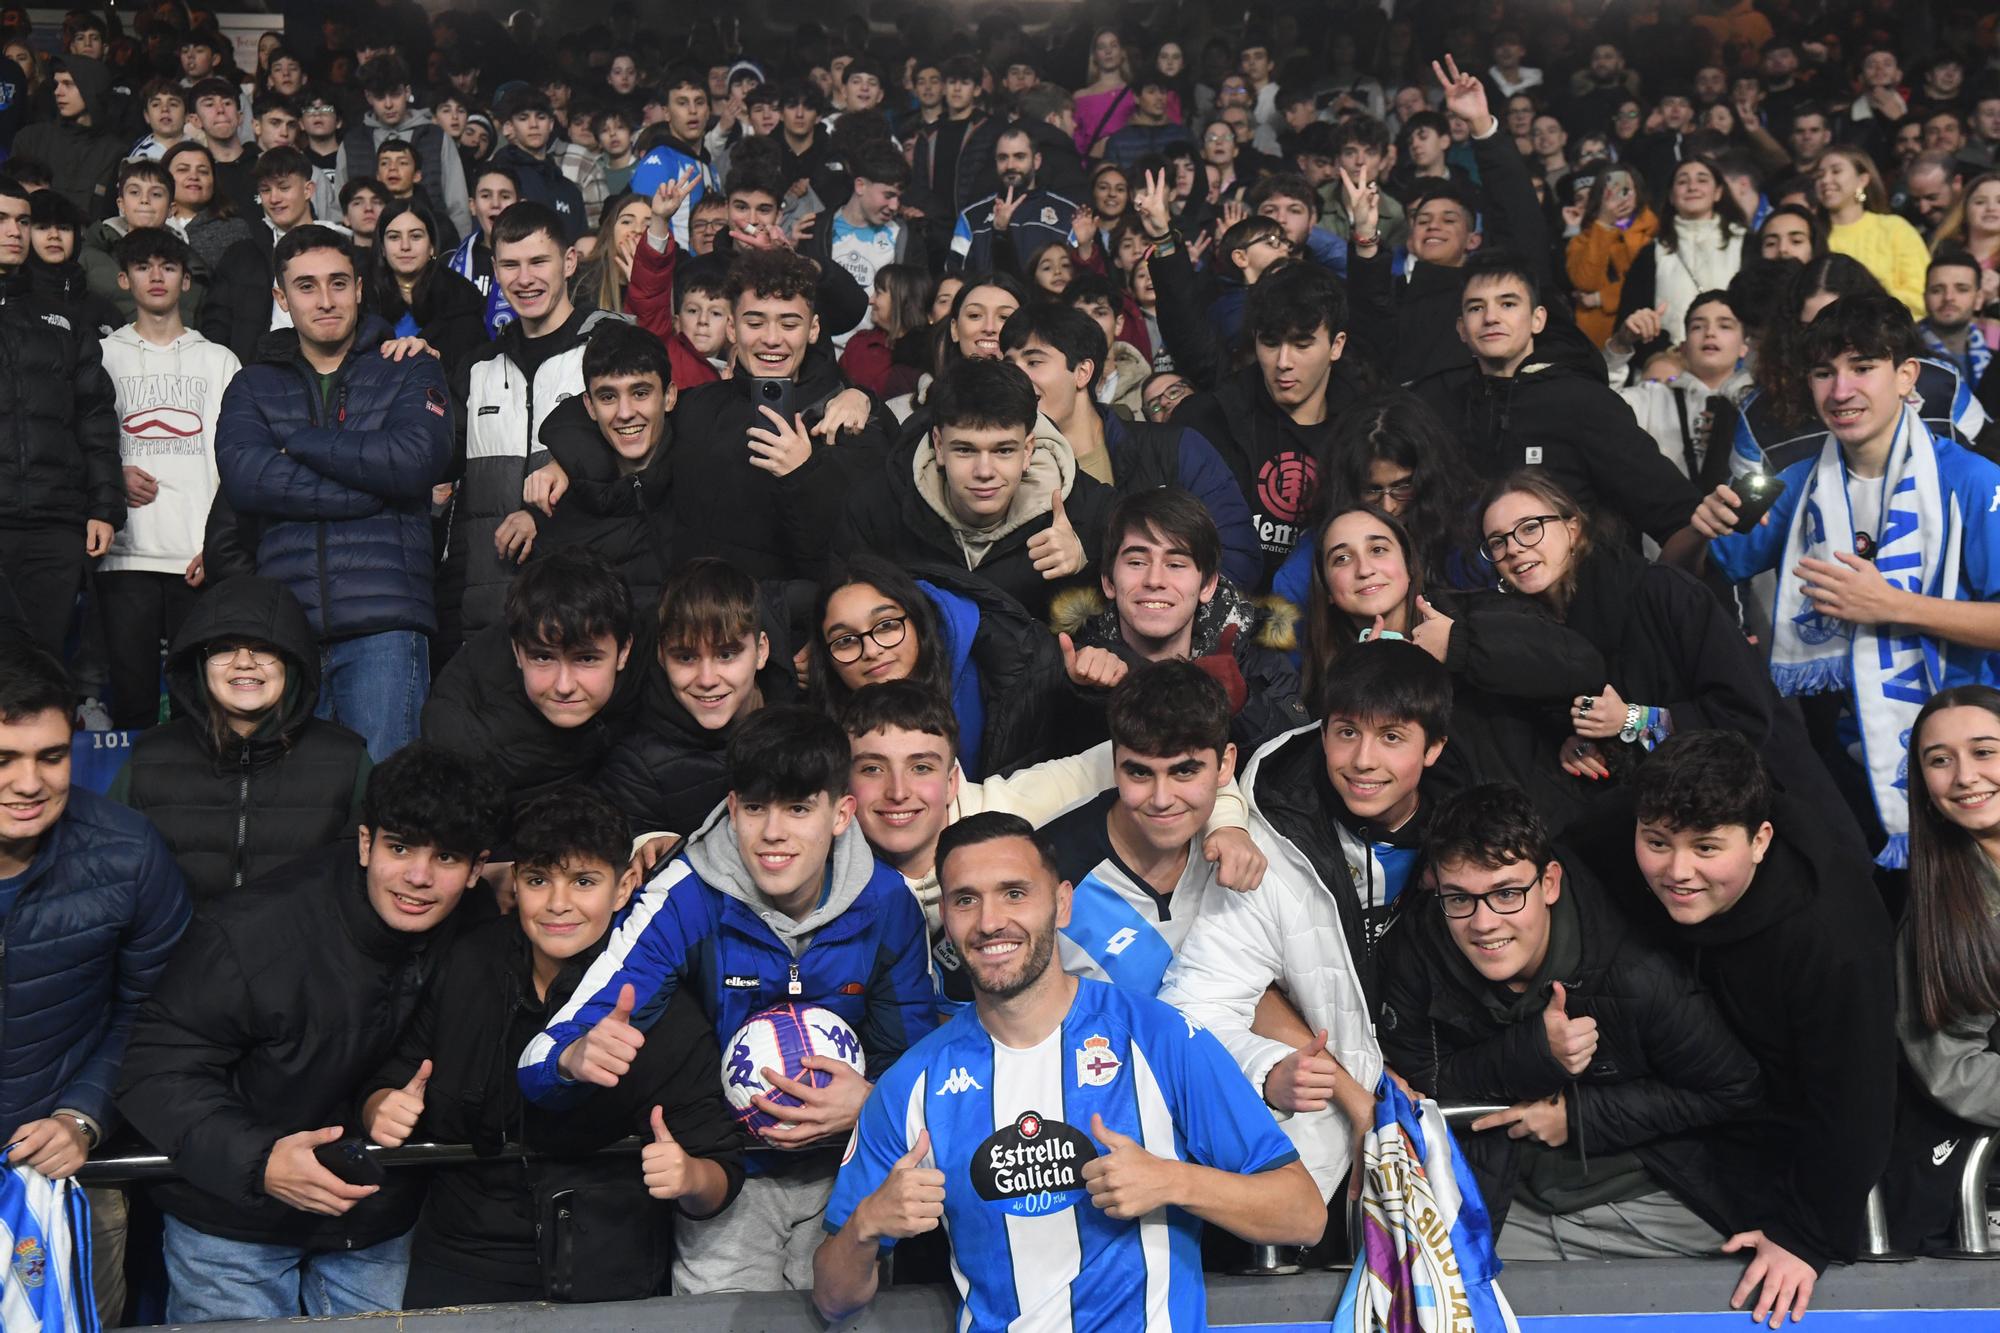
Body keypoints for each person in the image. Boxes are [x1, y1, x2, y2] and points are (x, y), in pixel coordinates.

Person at [813, 811, 1325, 1326]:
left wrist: (1174, 1183)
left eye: (1015, 893)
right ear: (946, 914)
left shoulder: (1159, 1037)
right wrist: (865, 1225)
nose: (990, 921)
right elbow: (833, 1298)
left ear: (1061, 904)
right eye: (967, 899)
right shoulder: (912, 1083)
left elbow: (1303, 1213)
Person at [518, 706, 935, 1295]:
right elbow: (537, 1061)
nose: (773, 833)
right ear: (733, 808)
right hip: (726, 1178)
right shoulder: (684, 894)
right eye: (757, 808)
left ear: (841, 813)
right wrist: (574, 1059)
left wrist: (871, 1101)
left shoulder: (888, 902)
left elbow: (921, 1071)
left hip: (850, 1168)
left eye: (798, 808)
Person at [115, 743, 507, 1323]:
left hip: (373, 1213)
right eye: (400, 848)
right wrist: (260, 1160)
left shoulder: (476, 930)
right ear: (367, 843)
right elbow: (152, 1071)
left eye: (446, 859)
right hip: (233, 1216)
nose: (419, 878)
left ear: (477, 870)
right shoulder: (252, 934)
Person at [363, 786, 747, 1307]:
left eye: (584, 881)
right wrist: (380, 1108)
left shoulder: (659, 1000)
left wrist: (689, 1178)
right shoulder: (469, 961)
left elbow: (719, 1173)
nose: (558, 904)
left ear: (625, 885)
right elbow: (391, 1074)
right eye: (539, 880)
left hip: (607, 1267)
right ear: (515, 882)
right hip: (461, 1257)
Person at [1566, 731, 1895, 1325]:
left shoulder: (1833, 937)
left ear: (1760, 839)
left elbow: (1857, 1101)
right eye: (1657, 843)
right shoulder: (1636, 821)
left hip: (1790, 1141)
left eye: (1708, 849)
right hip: (1686, 1101)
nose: (1678, 870)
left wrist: (1805, 1237)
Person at [1375, 782, 1761, 1259]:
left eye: (1507, 893)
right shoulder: (1419, 949)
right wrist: (1534, 1053)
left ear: (1550, 883)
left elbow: (1732, 1088)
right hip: (1506, 1205)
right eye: (1460, 899)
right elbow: (1418, 1081)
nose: (1484, 922)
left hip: (1647, 1198)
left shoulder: (1636, 972)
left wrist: (1577, 1118)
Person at [1692, 294, 2000, 863]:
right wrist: (1696, 527)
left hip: (1967, 763)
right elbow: (1696, 573)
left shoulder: (1975, 482)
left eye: (1862, 368)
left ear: (1907, 375)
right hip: (1841, 764)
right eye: (1823, 373)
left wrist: (1895, 604)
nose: (1840, 391)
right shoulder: (1798, 483)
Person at [0, 640, 191, 1329]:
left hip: (64, 1180)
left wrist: (84, 1113)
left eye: (51, 756)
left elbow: (159, 1010)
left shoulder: (127, 850)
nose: (29, 783)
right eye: (3, 759)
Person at [212, 225, 453, 761]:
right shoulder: (253, 383)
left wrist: (297, 441)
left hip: (385, 628)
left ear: (361, 288)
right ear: (281, 297)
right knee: (304, 818)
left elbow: (415, 461)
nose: (325, 300)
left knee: (388, 804)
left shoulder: (409, 364)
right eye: (306, 286)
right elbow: (245, 475)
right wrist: (369, 490)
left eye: (338, 283)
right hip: (286, 633)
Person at [1410, 253, 1703, 562]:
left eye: (1508, 304)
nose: (1491, 317)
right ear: (1461, 328)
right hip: (1470, 601)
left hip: (1582, 600)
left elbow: (1675, 515)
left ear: (1538, 319)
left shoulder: (1584, 402)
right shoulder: (1439, 409)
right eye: (1476, 307)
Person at [109, 573, 370, 898]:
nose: (244, 663)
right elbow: (111, 877)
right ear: (201, 663)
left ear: (291, 660)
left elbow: (365, 888)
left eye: (263, 649)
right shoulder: (150, 756)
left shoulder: (346, 759)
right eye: (224, 649)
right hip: (180, 946)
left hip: (304, 947)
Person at [445, 201, 627, 649]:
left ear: (568, 262)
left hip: (589, 601)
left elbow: (640, 447)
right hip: (490, 607)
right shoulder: (477, 366)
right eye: (510, 265)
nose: (524, 279)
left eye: (538, 261)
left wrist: (551, 494)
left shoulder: (612, 342)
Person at [836, 357, 1114, 620]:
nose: (984, 472)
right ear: (939, 446)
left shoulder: (1089, 510)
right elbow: (843, 607)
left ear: (1028, 450)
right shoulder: (878, 507)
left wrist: (1085, 562)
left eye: (1004, 450)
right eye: (965, 450)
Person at [1001, 303, 1258, 586]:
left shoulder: (1175, 448)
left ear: (1083, 372)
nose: (1017, 378)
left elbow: (1237, 560)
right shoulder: (1007, 467)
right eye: (1009, 365)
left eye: (1034, 362)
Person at [94, 227, 238, 729]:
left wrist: (220, 546)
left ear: (187, 282)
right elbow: (81, 443)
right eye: (143, 267)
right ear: (123, 278)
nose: (156, 277)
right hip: (125, 553)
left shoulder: (218, 360)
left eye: (168, 267)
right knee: (130, 703)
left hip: (195, 555)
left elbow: (235, 462)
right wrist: (111, 476)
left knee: (197, 706)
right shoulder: (102, 357)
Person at [1054, 487, 1308, 754]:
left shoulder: (1256, 662)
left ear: (1207, 585)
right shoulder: (1074, 662)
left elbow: (1295, 766)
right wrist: (1089, 695)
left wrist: (1244, 706)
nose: (1154, 580)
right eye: (1137, 562)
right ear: (1108, 581)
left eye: (1175, 564)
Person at [1167, 257, 1366, 586]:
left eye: (1302, 344)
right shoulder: (1207, 421)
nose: (1283, 362)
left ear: (1337, 345)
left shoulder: (1366, 433)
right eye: (1271, 343)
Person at [1886, 686, 2000, 1252]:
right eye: (1939, 760)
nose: (1965, 777)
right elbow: (1952, 1071)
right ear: (1925, 790)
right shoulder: (1942, 919)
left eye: (1985, 751)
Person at [0, 178, 121, 661]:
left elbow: (94, 416)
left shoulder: (64, 317)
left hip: (54, 525)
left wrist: (104, 508)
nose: (14, 231)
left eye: (22, 221)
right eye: (1, 219)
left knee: (42, 665)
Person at [424, 549, 648, 810]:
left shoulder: (658, 659)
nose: (564, 686)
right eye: (543, 658)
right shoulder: (462, 737)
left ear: (624, 652)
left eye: (586, 659)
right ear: (518, 652)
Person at [594, 557, 799, 837]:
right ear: (661, 656)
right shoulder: (635, 768)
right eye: (686, 657)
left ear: (762, 651)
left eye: (726, 655)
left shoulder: (802, 714)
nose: (707, 680)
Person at [1604, 290, 1753, 491]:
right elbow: (1597, 406)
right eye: (1697, 326)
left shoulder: (1757, 404)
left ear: (1745, 346)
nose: (1710, 332)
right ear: (1682, 347)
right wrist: (1620, 345)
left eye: (1724, 326)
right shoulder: (1653, 397)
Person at [335, 55, 472, 241]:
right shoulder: (353, 142)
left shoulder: (436, 137)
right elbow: (339, 208)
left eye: (395, 94)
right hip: (367, 251)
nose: (389, 104)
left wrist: (459, 256)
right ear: (368, 97)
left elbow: (458, 205)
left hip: (433, 245)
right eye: (380, 96)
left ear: (407, 92)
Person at [365, 198, 488, 374]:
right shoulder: (361, 297)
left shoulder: (461, 299)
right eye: (394, 237)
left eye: (415, 236)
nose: (405, 246)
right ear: (382, 248)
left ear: (431, 246)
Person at [948, 126, 1081, 275]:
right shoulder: (972, 216)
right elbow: (955, 276)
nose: (1010, 165)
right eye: (1003, 158)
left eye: (1019, 156)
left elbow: (1081, 277)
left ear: (1036, 161)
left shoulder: (1067, 213)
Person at [1816, 145, 1930, 315]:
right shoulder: (1811, 234)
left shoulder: (1894, 229)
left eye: (1836, 171)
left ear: (1862, 180)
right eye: (1820, 175)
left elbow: (1922, 297)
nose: (1825, 180)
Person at [12, 56, 121, 218]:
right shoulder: (31, 139)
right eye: (56, 84)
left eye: (68, 84)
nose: (58, 92)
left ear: (91, 89)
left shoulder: (115, 152)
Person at [1564, 164, 1657, 348]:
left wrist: (1601, 298)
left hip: (1642, 336)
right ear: (1600, 196)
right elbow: (1585, 282)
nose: (1620, 196)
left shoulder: (1655, 234)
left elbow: (1646, 285)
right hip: (1595, 342)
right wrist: (1605, 224)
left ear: (1638, 193)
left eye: (1626, 190)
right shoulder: (1583, 239)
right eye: (1611, 190)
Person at [491, 86, 589, 244]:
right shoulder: (499, 176)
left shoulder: (569, 190)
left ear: (551, 124)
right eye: (523, 118)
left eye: (541, 117)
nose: (533, 124)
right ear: (509, 127)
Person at [1918, 250, 1997, 388]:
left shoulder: (1994, 359)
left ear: (1979, 299)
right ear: (1924, 298)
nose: (1948, 297)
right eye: (1937, 290)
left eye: (1962, 289)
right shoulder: (1901, 353)